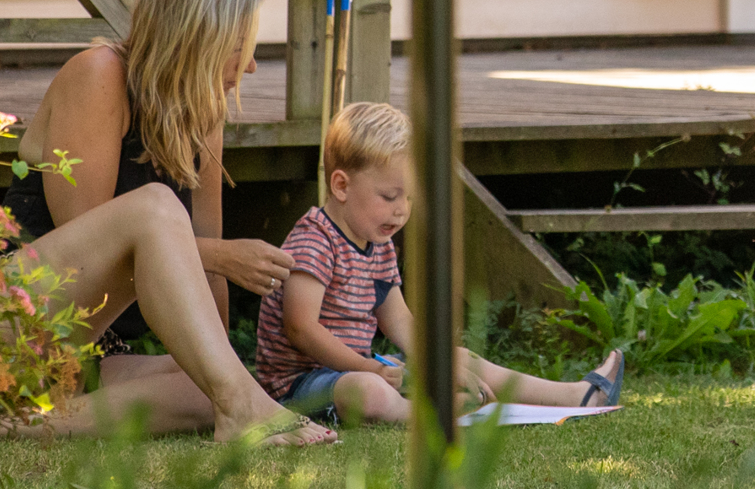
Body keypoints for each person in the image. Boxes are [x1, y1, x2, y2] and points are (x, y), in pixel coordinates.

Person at [0, 0, 332, 446]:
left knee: (207, 390)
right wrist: (221, 256)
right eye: (238, 47)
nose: (251, 67)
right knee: (154, 206)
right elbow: (91, 240)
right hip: (11, 317)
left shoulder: (203, 113)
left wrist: (223, 369)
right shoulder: (99, 74)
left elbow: (209, 267)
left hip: (87, 350)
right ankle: (239, 406)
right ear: (195, 37)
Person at [256, 101, 626, 424]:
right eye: (389, 196)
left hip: (359, 369)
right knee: (369, 389)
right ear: (341, 186)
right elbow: (300, 328)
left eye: (409, 198)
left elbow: (399, 320)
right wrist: (369, 367)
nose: (401, 211)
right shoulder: (316, 240)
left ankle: (575, 396)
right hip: (299, 385)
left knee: (457, 359)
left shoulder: (377, 243)